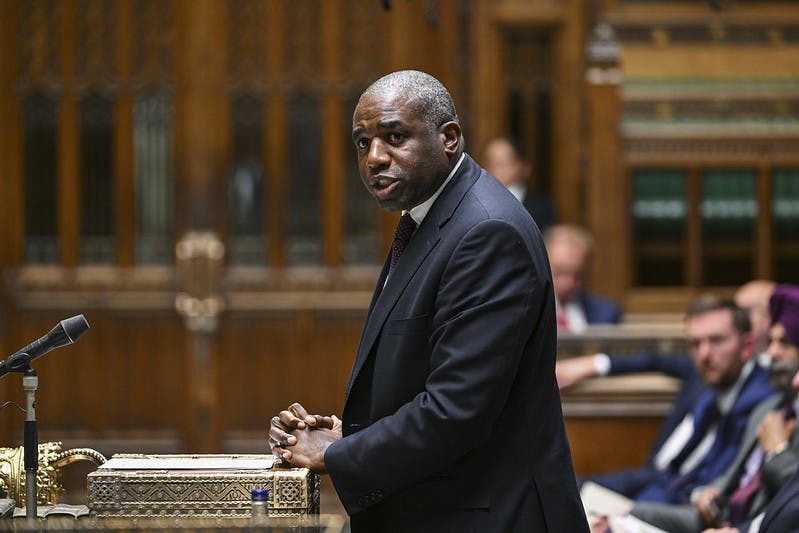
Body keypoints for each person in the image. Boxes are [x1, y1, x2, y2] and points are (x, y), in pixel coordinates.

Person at [268, 70, 588, 532]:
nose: (375, 157)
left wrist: (339, 454)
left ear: (449, 138)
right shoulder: (431, 216)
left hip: (490, 516)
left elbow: (457, 409)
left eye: (394, 136)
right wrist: (349, 435)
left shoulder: (485, 231)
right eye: (362, 143)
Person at [562, 296, 773, 510]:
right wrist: (595, 363)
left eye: (716, 340)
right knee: (564, 492)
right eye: (695, 343)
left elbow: (715, 487)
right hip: (654, 479)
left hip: (679, 499)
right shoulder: (701, 374)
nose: (704, 354)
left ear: (747, 346)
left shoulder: (758, 401)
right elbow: (652, 359)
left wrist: (624, 515)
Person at [629, 284, 799, 533]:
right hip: (721, 521)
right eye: (771, 340)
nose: (772, 352)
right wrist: (712, 494)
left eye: (784, 342)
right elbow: (734, 478)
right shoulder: (768, 409)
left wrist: (779, 450)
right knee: (622, 519)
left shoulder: (758, 400)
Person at [543, 224, 622, 332]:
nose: (569, 283)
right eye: (560, 272)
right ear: (542, 264)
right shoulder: (528, 311)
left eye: (578, 274)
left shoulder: (606, 313)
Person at [480, 135, 557, 230]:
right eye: (489, 163)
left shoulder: (541, 207)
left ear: (521, 166)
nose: (493, 169)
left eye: (500, 164)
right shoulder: (478, 203)